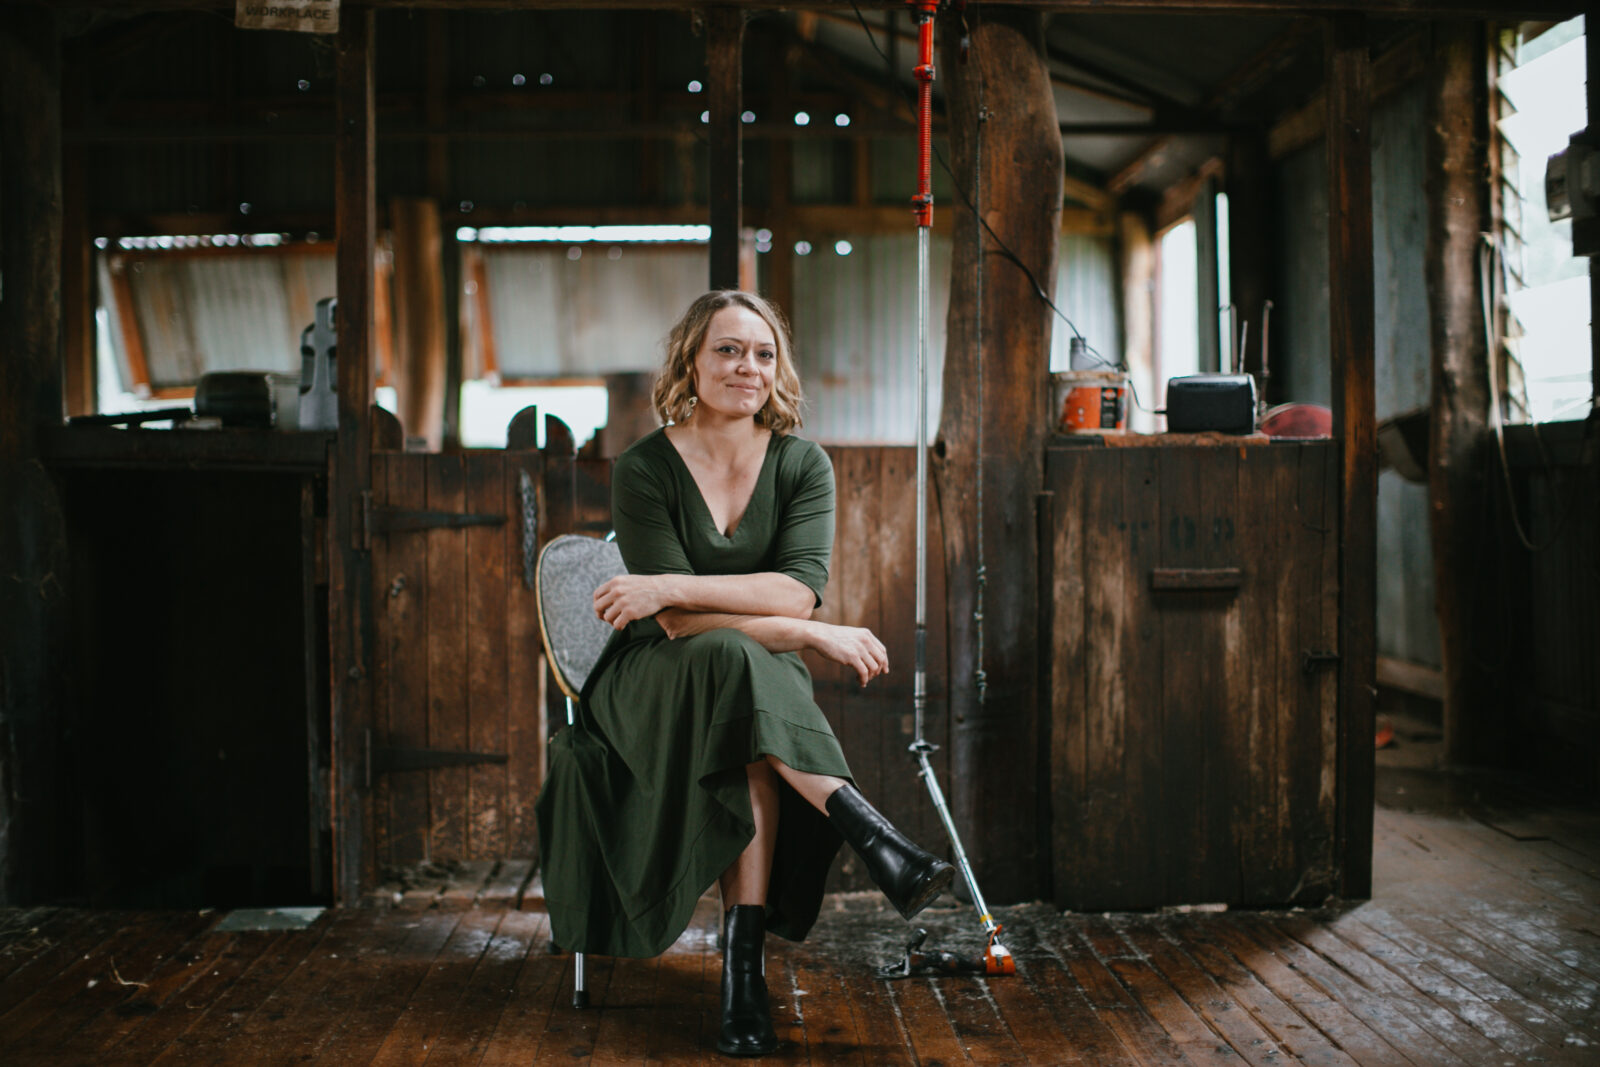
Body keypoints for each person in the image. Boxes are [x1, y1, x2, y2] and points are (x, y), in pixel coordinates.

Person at [534, 289, 954, 1057]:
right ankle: (868, 832)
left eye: (763, 353)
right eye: (727, 349)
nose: (747, 367)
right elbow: (675, 625)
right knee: (735, 662)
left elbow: (793, 588)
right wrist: (806, 632)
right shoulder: (645, 466)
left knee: (742, 692)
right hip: (650, 678)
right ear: (691, 362)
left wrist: (676, 584)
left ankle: (743, 971)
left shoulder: (802, 464)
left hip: (748, 677)